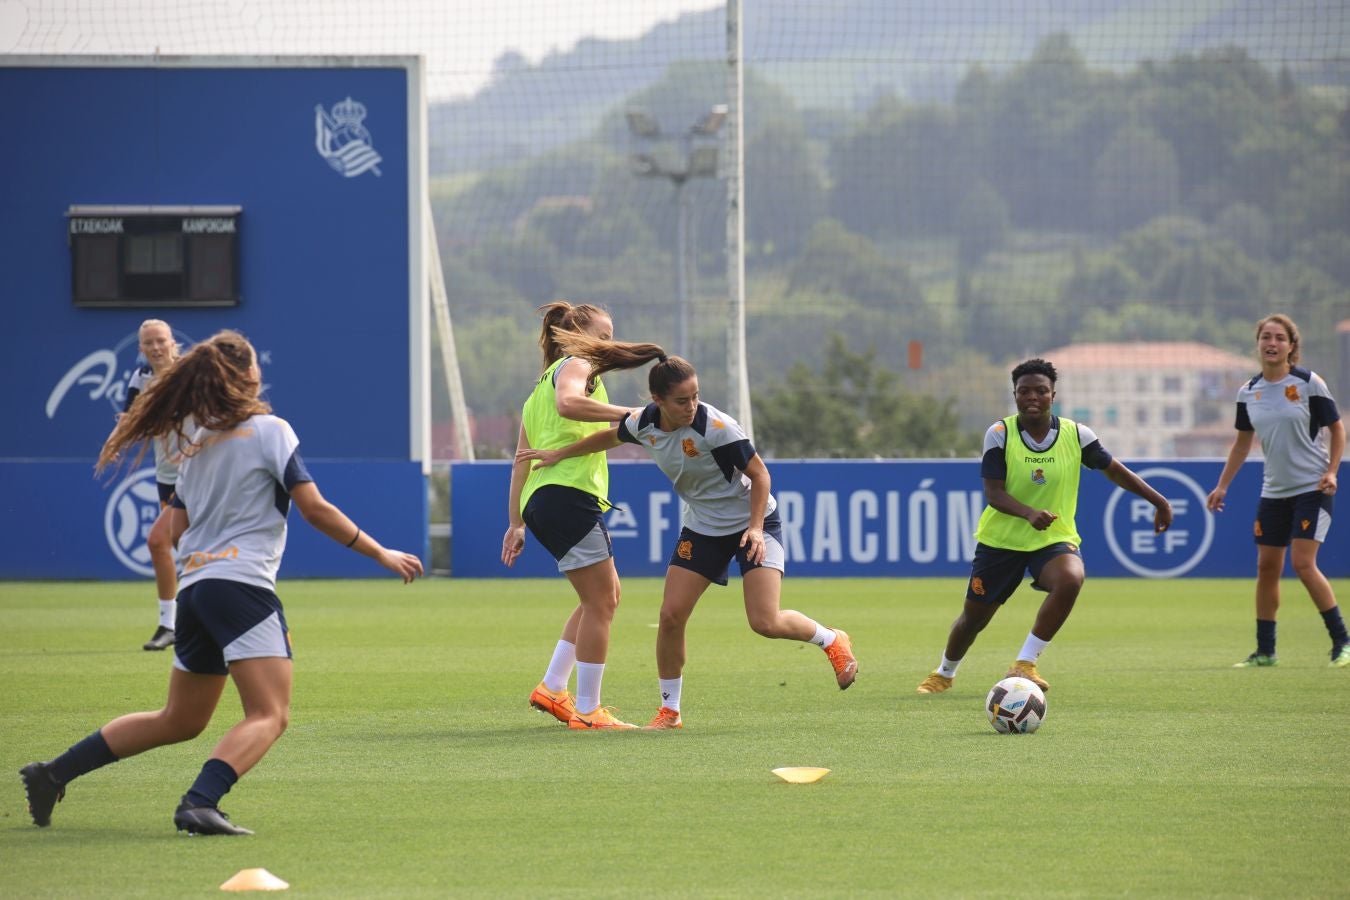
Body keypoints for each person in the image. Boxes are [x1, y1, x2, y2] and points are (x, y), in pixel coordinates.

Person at [20, 330, 423, 835]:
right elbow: (314, 508)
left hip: (195, 590)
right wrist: (380, 551)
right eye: (255, 365)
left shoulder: (197, 445)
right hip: (242, 588)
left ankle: (53, 772)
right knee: (270, 714)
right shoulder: (271, 431)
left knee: (179, 720)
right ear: (248, 375)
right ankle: (199, 801)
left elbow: (171, 530)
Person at [517, 334, 858, 730]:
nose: (691, 406)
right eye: (682, 400)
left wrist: (754, 528)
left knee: (765, 621)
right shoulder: (644, 421)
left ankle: (832, 640)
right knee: (671, 617)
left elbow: (761, 476)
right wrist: (560, 453)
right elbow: (610, 436)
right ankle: (670, 712)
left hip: (755, 522)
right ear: (658, 401)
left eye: (695, 396)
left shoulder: (716, 428)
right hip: (702, 528)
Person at [915, 358, 1173, 695]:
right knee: (974, 618)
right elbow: (994, 493)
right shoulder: (1000, 434)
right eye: (1024, 391)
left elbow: (1113, 469)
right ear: (1015, 395)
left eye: (1041, 391)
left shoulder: (1076, 435)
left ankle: (1024, 663)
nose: (1032, 397)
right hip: (1001, 542)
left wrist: (1159, 501)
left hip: (1052, 538)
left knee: (1071, 578)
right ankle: (944, 673)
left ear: (1054, 395)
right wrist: (1028, 513)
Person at [501, 302, 642, 730]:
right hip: (567, 495)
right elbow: (569, 405)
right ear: (577, 334)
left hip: (542, 500)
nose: (609, 342)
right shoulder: (577, 366)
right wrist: (631, 414)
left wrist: (516, 522)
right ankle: (588, 710)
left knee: (600, 596)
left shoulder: (534, 393)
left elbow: (520, 462)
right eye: (603, 334)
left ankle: (552, 687)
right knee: (603, 601)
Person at [1206, 314, 1347, 668]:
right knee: (1267, 567)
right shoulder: (1248, 391)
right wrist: (1222, 486)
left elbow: (1337, 429)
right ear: (1258, 344)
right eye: (1266, 337)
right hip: (1274, 491)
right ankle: (1265, 651)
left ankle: (1342, 641)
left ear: (1291, 346)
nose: (1271, 343)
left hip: (1313, 488)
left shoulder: (1309, 383)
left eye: (1279, 338)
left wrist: (1332, 472)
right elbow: (1242, 444)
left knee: (1302, 563)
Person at [120, 319, 183, 651]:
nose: (156, 347)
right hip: (167, 475)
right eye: (149, 343)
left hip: (200, 473)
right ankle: (175, 625)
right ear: (141, 348)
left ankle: (173, 624)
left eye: (161, 341)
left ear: (173, 342)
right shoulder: (140, 379)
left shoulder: (191, 373)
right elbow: (131, 422)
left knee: (166, 542)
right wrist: (118, 440)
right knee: (173, 546)